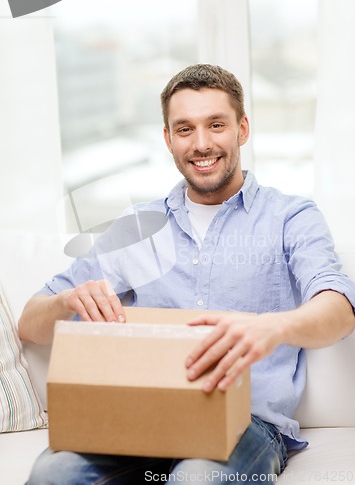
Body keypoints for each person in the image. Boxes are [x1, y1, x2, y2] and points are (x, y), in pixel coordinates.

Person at [19, 64, 355, 484]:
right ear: (167, 138)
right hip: (136, 419)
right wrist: (66, 302)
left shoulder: (290, 216)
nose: (201, 144)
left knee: (195, 478)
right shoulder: (136, 227)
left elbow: (339, 309)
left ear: (242, 129)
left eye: (216, 125)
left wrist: (273, 327)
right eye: (184, 129)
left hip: (247, 425)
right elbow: (29, 323)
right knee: (52, 473)